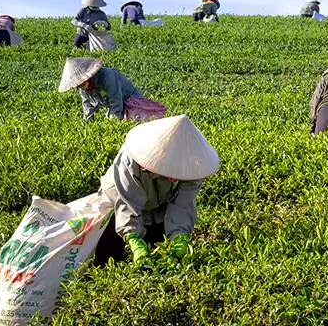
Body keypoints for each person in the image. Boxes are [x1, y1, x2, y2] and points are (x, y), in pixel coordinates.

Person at [92, 114, 220, 266]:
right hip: (116, 202)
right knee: (110, 250)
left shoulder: (194, 165)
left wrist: (179, 235)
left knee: (157, 251)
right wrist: (133, 238)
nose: (173, 177)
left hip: (158, 204)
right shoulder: (130, 160)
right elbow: (127, 201)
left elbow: (184, 203)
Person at [57, 57, 145, 121]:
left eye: (81, 84)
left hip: (133, 104)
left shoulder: (108, 77)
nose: (80, 88)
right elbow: (87, 105)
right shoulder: (82, 86)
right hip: (118, 107)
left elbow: (116, 103)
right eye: (78, 86)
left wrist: (112, 124)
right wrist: (88, 124)